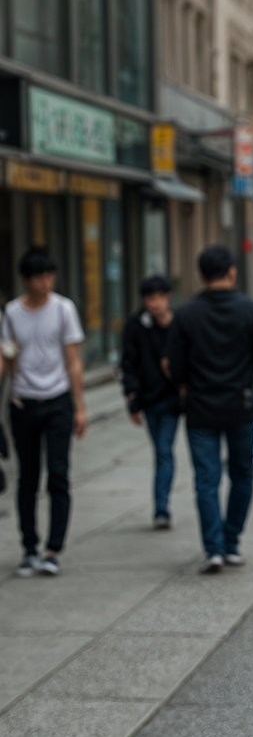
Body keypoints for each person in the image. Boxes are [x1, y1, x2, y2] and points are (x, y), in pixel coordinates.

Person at [165, 245, 253, 573]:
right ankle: (231, 543)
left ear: (201, 275)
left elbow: (176, 368)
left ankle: (212, 548)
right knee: (242, 475)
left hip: (200, 408)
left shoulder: (185, 314)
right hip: (241, 407)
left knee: (206, 479)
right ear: (232, 272)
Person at [1, 247, 87, 578]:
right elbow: (6, 359)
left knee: (59, 475)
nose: (46, 282)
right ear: (26, 279)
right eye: (39, 276)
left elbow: (74, 361)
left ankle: (53, 549)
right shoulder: (11, 313)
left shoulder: (64, 309)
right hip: (23, 403)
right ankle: (29, 547)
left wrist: (80, 408)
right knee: (27, 477)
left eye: (50, 275)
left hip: (58, 401)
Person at [120, 273, 180, 529]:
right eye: (149, 298)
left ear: (167, 298)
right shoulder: (136, 326)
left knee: (164, 450)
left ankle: (161, 508)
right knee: (160, 450)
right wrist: (132, 400)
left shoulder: (179, 324)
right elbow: (128, 363)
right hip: (148, 399)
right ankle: (161, 505)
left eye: (159, 298)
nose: (154, 303)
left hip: (173, 400)